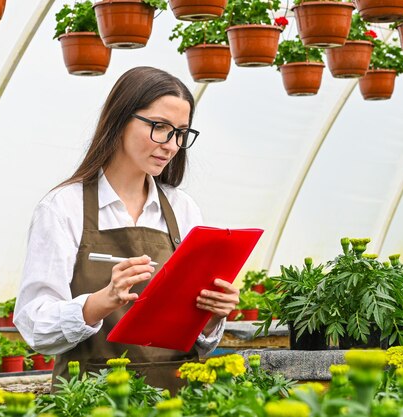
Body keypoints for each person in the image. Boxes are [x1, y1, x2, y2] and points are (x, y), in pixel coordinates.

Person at [14, 66, 239, 391]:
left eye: (180, 133)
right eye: (159, 127)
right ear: (120, 119)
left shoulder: (183, 209)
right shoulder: (63, 207)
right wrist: (98, 303)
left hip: (176, 400)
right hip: (92, 400)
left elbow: (201, 344)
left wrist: (214, 314)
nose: (172, 145)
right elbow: (35, 324)